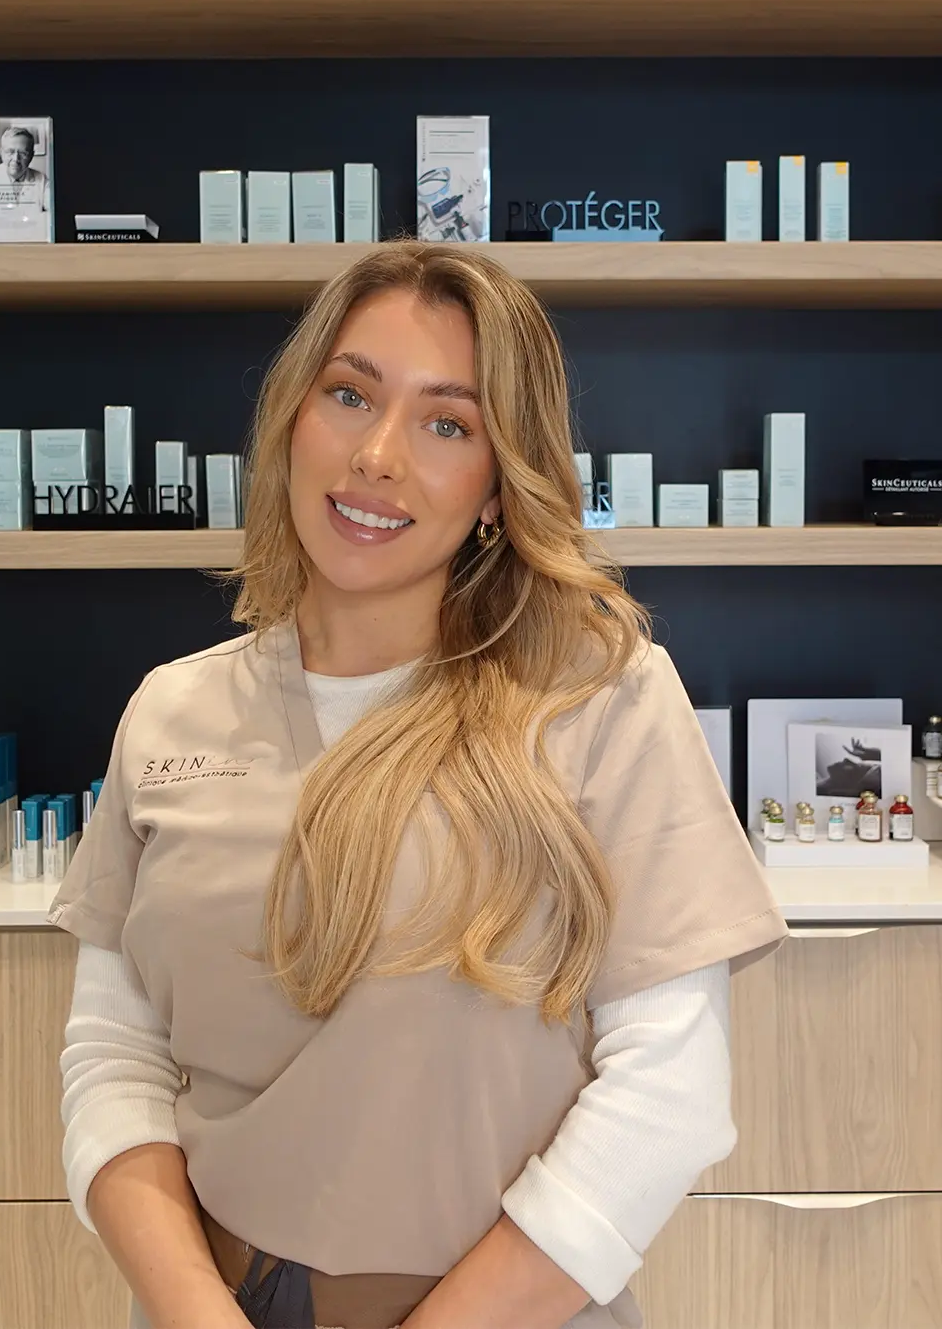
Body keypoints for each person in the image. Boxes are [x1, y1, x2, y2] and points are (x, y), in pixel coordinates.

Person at [48, 241, 787, 1329]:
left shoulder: (599, 700)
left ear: (497, 486)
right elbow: (115, 1058)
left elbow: (666, 1093)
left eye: (448, 424)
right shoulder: (173, 711)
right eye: (350, 395)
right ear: (293, 419)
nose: (377, 456)